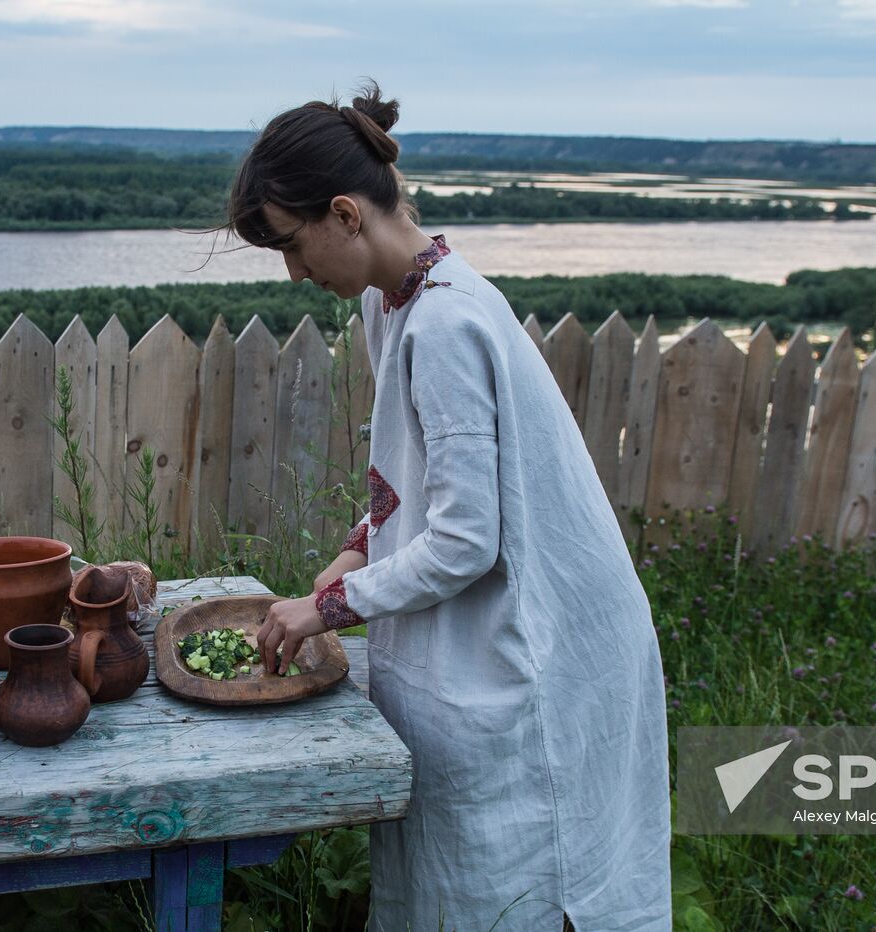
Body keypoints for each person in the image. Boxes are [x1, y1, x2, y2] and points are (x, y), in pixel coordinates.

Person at [227, 81, 671, 931]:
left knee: (526, 878)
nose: (293, 271)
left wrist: (327, 607)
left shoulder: (446, 326)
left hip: (545, 643)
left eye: (291, 244)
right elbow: (414, 476)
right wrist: (363, 543)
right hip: (494, 627)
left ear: (347, 215)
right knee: (456, 868)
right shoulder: (385, 303)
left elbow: (467, 540)